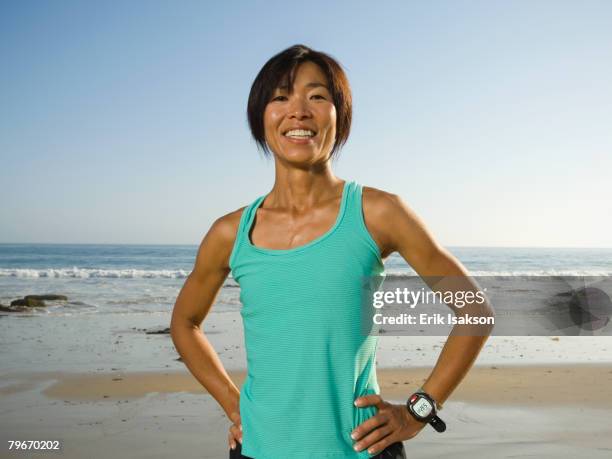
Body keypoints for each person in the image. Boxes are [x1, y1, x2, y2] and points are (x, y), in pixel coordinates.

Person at [170, 44, 495, 459]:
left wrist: (417, 412)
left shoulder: (379, 212)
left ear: (340, 118)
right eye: (280, 97)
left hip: (361, 450)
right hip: (256, 450)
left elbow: (475, 310)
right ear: (260, 117)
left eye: (317, 96)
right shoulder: (229, 232)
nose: (299, 111)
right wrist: (234, 404)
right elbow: (184, 322)